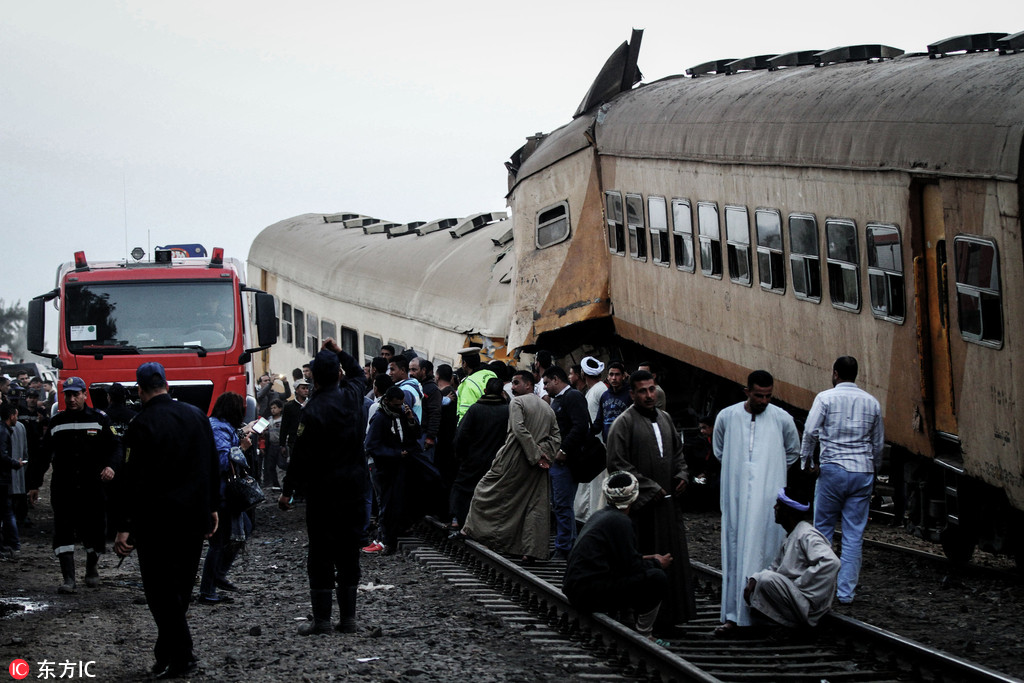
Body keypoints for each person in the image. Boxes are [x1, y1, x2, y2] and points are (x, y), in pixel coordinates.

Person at [112, 362, 219, 679]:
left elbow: (130, 480)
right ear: (167, 385)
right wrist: (213, 506)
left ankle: (182, 656)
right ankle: (166, 653)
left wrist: (123, 524)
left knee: (160, 593)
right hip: (192, 519)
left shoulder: (140, 424)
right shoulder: (197, 416)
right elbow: (210, 463)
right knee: (181, 589)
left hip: (155, 522)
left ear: (140, 390)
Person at [279, 342, 369, 635]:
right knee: (348, 550)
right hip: (354, 488)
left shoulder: (313, 409)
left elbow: (301, 455)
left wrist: (288, 490)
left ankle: (322, 621)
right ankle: (349, 619)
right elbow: (359, 374)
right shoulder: (354, 397)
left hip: (324, 492)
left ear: (314, 378)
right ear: (339, 374)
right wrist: (341, 352)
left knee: (320, 552)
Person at [605, 370, 696, 627]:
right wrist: (647, 487)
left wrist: (681, 475)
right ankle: (641, 619)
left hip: (668, 506)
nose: (649, 395)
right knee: (645, 560)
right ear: (632, 394)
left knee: (673, 558)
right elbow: (617, 464)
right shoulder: (623, 423)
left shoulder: (666, 419)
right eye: (642, 391)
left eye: (651, 389)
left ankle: (671, 617)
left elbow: (678, 454)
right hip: (641, 511)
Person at [713, 369, 801, 635]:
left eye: (768, 396)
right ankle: (732, 615)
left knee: (766, 550)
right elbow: (719, 450)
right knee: (734, 548)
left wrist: (767, 471)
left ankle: (765, 616)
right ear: (747, 392)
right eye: (758, 395)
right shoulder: (727, 417)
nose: (764, 401)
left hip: (767, 501)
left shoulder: (782, 419)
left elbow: (792, 452)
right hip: (736, 497)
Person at [801, 356, 884, 605]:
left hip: (833, 471)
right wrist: (874, 471)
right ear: (855, 374)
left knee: (823, 531)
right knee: (853, 535)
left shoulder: (825, 398)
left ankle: (821, 589)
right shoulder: (872, 403)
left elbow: (810, 431)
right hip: (862, 473)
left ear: (835, 373)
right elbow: (878, 444)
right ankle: (846, 594)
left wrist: (807, 462)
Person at [30, 377, 119, 594]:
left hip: (92, 488)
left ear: (84, 395)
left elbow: (115, 446)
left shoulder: (100, 419)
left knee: (95, 530)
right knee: (63, 531)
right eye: (67, 394)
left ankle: (91, 565)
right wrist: (34, 484)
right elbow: (43, 454)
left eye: (75, 394)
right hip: (64, 488)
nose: (71, 399)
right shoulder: (57, 422)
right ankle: (68, 578)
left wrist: (111, 466)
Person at [462, 370, 559, 561]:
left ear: (529, 385)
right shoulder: (548, 408)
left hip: (514, 458)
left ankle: (474, 532)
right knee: (533, 505)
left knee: (485, 491)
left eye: (516, 383)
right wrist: (544, 454)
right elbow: (556, 437)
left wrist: (535, 454)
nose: (512, 387)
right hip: (538, 465)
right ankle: (530, 550)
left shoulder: (517, 402)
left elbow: (518, 429)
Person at [562, 471, 671, 638]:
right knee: (657, 578)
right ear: (633, 497)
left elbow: (617, 559)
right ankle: (645, 634)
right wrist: (657, 564)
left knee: (641, 572)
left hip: (576, 589)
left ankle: (625, 620)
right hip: (589, 595)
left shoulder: (600, 515)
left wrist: (646, 559)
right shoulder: (621, 521)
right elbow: (631, 567)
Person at [745, 487, 840, 628]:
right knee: (759, 579)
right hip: (795, 597)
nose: (774, 507)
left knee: (766, 579)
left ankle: (791, 626)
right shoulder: (791, 535)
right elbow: (775, 568)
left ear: (788, 511)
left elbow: (831, 562)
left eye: (778, 505)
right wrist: (755, 578)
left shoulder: (807, 534)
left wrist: (800, 585)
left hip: (806, 602)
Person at [198, 392, 253, 605]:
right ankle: (208, 588)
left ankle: (216, 578)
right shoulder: (219, 428)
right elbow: (222, 460)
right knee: (219, 542)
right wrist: (243, 449)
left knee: (241, 530)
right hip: (221, 493)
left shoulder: (217, 425)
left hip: (220, 492)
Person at [543, 365, 589, 559]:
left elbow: (581, 426)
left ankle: (565, 547)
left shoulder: (572, 397)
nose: (544, 387)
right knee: (560, 505)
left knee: (562, 505)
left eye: (546, 383)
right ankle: (567, 545)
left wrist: (564, 449)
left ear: (556, 379)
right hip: (557, 461)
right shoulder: (559, 400)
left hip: (566, 462)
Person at [450, 378, 508, 528]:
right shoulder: (507, 411)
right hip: (497, 462)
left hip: (472, 459)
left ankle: (461, 522)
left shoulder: (475, 409)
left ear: (485, 391)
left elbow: (461, 436)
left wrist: (461, 456)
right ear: (502, 393)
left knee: (463, 490)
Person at [574, 356, 609, 523]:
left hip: (598, 446)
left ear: (583, 373)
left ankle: (594, 519)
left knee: (597, 486)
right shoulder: (595, 390)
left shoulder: (600, 390)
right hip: (592, 445)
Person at [1, 402, 25, 557]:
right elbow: (2, 456)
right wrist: (15, 463)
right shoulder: (3, 432)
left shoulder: (4, 430)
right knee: (7, 512)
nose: (17, 418)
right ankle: (14, 544)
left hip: (3, 478)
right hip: (2, 479)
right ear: (11, 416)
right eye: (16, 414)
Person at [455, 347, 497, 422]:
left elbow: (465, 414)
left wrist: (460, 431)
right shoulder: (491, 374)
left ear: (464, 364)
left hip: (478, 427)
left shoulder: (468, 383)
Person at [593, 362, 631, 441]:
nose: (614, 378)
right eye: (611, 374)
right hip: (609, 443)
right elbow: (598, 422)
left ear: (623, 376)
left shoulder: (630, 395)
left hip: (626, 442)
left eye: (617, 374)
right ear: (607, 377)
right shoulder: (604, 396)